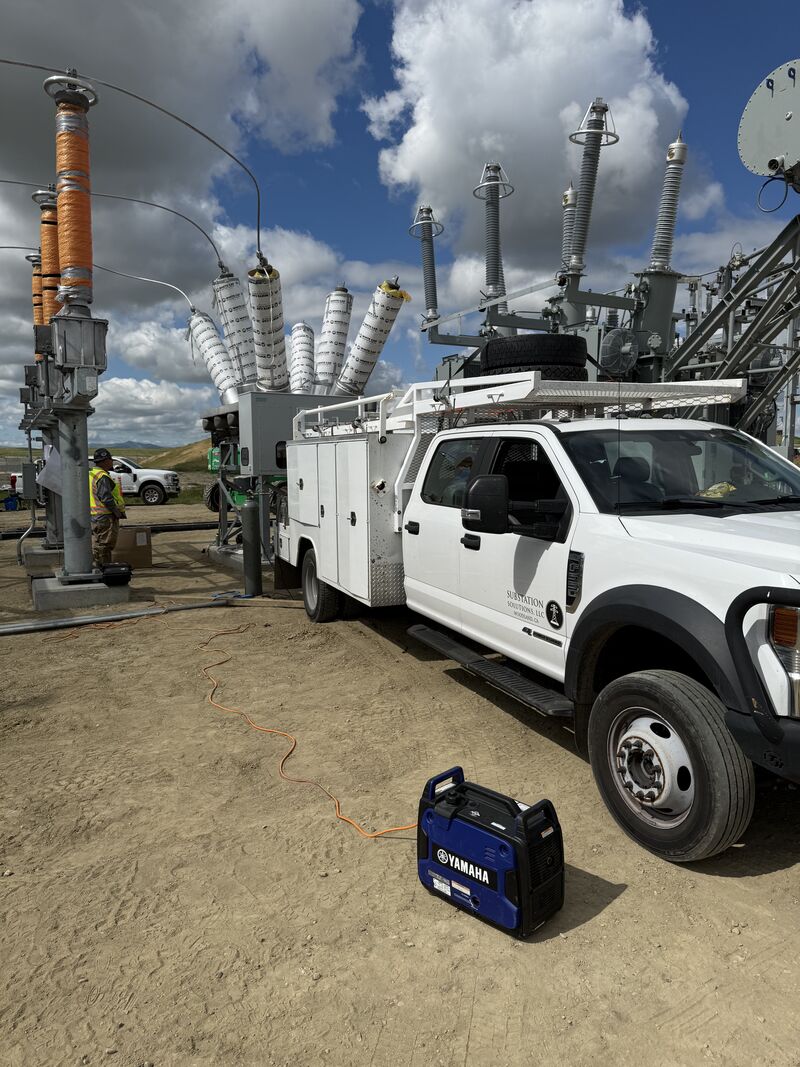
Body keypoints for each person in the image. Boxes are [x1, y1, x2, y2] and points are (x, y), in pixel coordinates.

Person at [89, 447, 126, 568]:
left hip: (95, 515)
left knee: (99, 542)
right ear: (105, 461)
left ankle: (100, 567)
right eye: (110, 459)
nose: (112, 462)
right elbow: (106, 497)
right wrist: (116, 511)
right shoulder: (102, 476)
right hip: (105, 515)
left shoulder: (91, 474)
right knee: (105, 545)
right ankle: (105, 569)